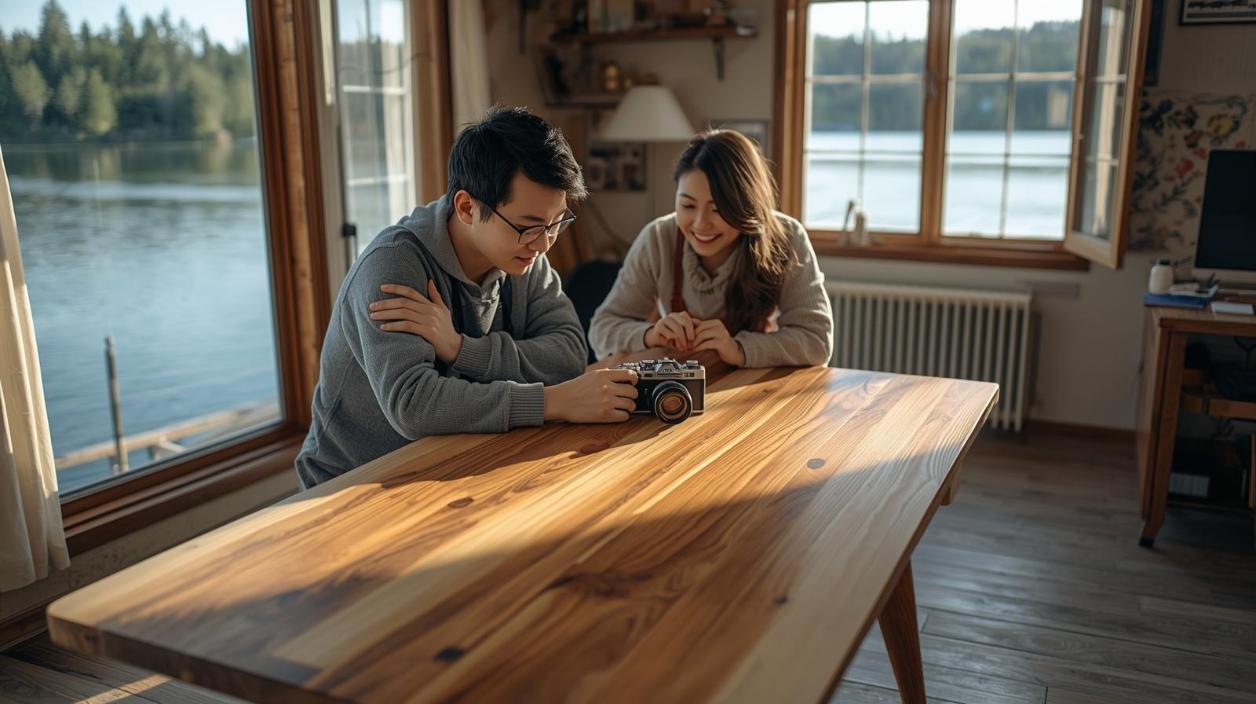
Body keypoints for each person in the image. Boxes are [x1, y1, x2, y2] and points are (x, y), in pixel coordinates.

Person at [295, 107, 638, 489]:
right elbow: (414, 405)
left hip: (456, 464)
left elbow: (569, 353)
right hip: (354, 483)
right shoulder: (392, 266)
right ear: (466, 207)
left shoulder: (524, 255)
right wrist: (552, 402)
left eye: (556, 223)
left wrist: (462, 349)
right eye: (528, 227)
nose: (544, 243)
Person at [589, 129, 833, 368]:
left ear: (747, 205)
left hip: (753, 389)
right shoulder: (658, 238)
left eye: (717, 209)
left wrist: (737, 349)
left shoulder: (786, 236)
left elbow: (817, 341)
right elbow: (602, 329)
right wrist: (650, 334)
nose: (700, 224)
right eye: (687, 205)